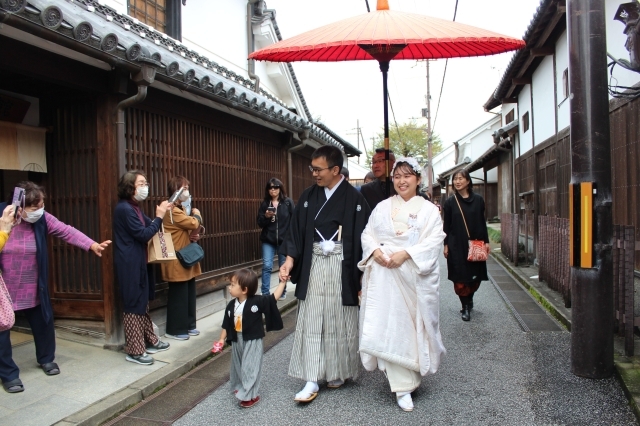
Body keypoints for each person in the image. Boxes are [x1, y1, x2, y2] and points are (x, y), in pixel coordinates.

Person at [279, 145, 371, 403]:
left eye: (318, 170)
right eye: (313, 169)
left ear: (335, 169)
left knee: (339, 318)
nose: (314, 174)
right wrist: (288, 262)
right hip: (314, 263)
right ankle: (311, 376)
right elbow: (296, 232)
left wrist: (363, 276)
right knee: (312, 317)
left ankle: (338, 370)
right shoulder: (309, 196)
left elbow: (366, 237)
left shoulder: (355, 199)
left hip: (343, 264)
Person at [0, 181, 111, 392]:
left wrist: (92, 244)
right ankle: (8, 374)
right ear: (19, 207)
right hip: (3, 288)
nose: (40, 211)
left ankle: (46, 358)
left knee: (43, 322)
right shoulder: (2, 217)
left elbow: (65, 230)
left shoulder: (42, 219)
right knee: (2, 332)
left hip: (33, 284)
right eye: (35, 208)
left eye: (42, 205)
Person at [358, 157, 446, 412]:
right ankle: (402, 386)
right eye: (397, 176)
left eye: (407, 176)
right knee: (391, 324)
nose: (401, 181)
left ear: (418, 179)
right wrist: (374, 250)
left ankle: (410, 377)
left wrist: (406, 254)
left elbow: (434, 240)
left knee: (412, 327)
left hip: (413, 275)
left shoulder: (429, 210)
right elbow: (367, 233)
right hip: (385, 274)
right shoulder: (383, 207)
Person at [113, 171, 172, 365]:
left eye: (145, 182)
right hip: (130, 263)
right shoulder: (124, 209)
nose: (145, 186)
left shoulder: (134, 207)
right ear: (130, 186)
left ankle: (150, 340)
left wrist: (161, 215)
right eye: (141, 183)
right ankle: (135, 350)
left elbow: (150, 224)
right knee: (133, 304)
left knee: (142, 301)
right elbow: (144, 233)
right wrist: (159, 216)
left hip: (139, 261)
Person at [215, 269, 285, 408]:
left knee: (250, 366)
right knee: (237, 365)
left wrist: (283, 282)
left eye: (233, 285)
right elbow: (226, 324)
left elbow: (273, 298)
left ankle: (249, 395)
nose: (230, 287)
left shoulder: (257, 301)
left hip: (253, 339)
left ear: (244, 289)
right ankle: (240, 386)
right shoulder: (231, 305)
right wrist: (221, 339)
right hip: (236, 339)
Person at [443, 169, 490, 321]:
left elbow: (482, 223)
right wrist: (446, 244)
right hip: (457, 244)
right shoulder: (450, 202)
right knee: (460, 278)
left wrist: (487, 242)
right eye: (455, 179)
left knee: (475, 278)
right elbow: (446, 225)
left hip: (475, 243)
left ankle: (470, 298)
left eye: (460, 178)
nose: (457, 181)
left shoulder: (478, 200)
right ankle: (464, 307)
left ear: (468, 181)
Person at [161, 176, 203, 341]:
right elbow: (193, 223)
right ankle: (175, 329)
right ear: (175, 191)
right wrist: (197, 214)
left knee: (188, 292)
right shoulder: (171, 210)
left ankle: (189, 325)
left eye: (187, 188)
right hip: (176, 257)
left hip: (185, 255)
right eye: (183, 189)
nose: (187, 192)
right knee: (179, 294)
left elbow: (191, 228)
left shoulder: (179, 209)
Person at [256, 178, 293, 300]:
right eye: (270, 188)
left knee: (283, 267)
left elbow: (294, 221)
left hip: (284, 240)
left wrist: (291, 237)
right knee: (267, 266)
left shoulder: (287, 203)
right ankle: (265, 293)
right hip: (268, 240)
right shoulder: (265, 204)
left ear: (280, 188)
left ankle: (281, 291)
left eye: (276, 187)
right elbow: (260, 223)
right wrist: (266, 216)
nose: (273, 190)